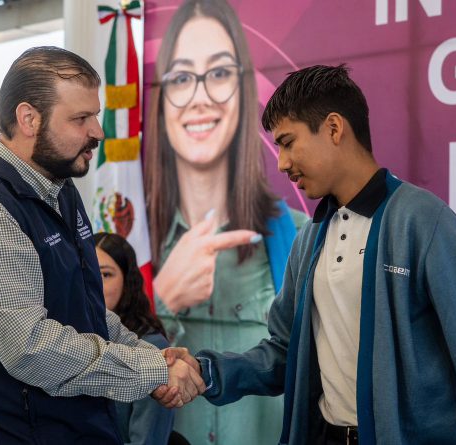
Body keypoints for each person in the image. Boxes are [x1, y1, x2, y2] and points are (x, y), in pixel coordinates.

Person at [163, 65, 456, 445]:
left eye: (287, 142)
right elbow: (285, 352)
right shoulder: (309, 238)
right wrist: (209, 370)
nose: (282, 163)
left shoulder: (422, 221)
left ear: (334, 128)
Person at [0, 46, 204, 444]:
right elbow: (29, 348)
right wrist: (150, 371)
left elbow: (85, 311)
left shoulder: (59, 191)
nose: (98, 132)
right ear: (28, 119)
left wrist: (151, 356)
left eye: (96, 116)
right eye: (80, 118)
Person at [144, 1, 306, 443]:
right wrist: (162, 298)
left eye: (218, 73)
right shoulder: (134, 242)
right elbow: (102, 372)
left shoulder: (298, 236)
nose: (200, 97)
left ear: (243, 90)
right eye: (181, 78)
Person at [94, 232, 175, 445]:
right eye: (88, 272)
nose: (94, 283)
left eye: (105, 274)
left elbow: (147, 440)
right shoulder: (65, 338)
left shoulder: (152, 346)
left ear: (127, 282)